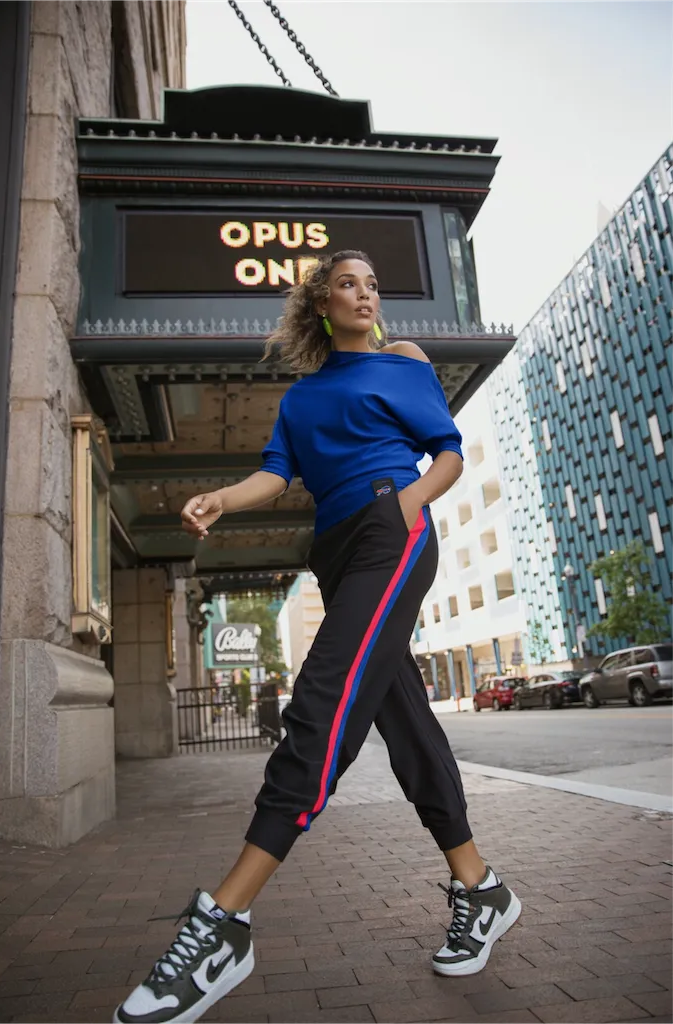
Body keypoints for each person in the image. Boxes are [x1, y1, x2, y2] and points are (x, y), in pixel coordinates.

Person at [113, 251, 521, 1024]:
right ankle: (481, 888)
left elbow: (447, 453)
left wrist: (406, 508)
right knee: (401, 720)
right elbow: (276, 472)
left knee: (321, 703)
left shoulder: (402, 365)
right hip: (334, 552)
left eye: (372, 285)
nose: (365, 293)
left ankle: (222, 922)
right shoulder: (301, 399)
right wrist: (221, 499)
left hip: (387, 529)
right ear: (320, 303)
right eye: (348, 284)